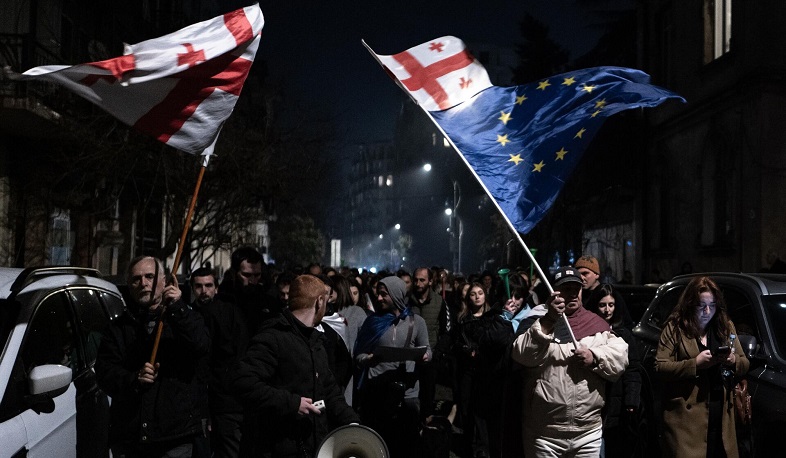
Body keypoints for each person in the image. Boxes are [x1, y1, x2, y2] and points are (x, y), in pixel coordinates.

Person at [96, 256, 210, 458]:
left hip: (173, 436)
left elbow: (201, 344)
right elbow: (105, 373)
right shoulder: (118, 328)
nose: (143, 283)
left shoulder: (183, 317)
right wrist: (134, 379)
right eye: (136, 279)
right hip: (131, 436)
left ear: (165, 281)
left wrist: (177, 307)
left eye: (150, 276)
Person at [233, 275, 359, 457]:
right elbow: (244, 382)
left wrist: (352, 423)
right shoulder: (273, 337)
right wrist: (292, 404)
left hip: (312, 446)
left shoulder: (315, 340)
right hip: (279, 447)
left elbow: (330, 391)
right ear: (319, 302)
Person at [511, 266, 628, 458]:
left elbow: (620, 358)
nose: (573, 294)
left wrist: (594, 357)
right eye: (566, 289)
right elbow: (522, 355)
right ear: (553, 291)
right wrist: (548, 320)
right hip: (545, 435)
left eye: (577, 288)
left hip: (588, 433)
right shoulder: (536, 321)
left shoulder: (596, 324)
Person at [655, 276, 749, 458]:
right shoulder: (676, 328)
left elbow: (744, 362)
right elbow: (660, 367)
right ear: (690, 304)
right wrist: (695, 364)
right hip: (686, 421)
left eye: (712, 305)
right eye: (701, 306)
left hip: (720, 415)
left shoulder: (724, 326)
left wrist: (732, 360)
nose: (707, 311)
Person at [354, 276, 432, 457]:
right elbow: (359, 355)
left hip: (407, 394)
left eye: (384, 294)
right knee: (378, 443)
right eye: (378, 294)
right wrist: (368, 360)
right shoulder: (372, 323)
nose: (379, 298)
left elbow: (427, 348)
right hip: (377, 392)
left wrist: (426, 356)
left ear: (396, 295)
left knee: (405, 444)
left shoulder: (416, 322)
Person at [191, 267, 249, 458]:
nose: (204, 291)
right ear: (192, 288)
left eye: (208, 285)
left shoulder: (229, 313)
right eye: (199, 286)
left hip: (226, 400)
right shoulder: (189, 316)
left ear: (216, 288)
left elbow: (239, 354)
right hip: (201, 400)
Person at [455, 282, 514, 458]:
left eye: (480, 293)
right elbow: (456, 343)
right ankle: (469, 444)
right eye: (473, 294)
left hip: (486, 371)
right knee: (467, 409)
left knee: (483, 410)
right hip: (468, 370)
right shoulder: (463, 319)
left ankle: (482, 447)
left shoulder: (493, 316)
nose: (477, 297)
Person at [584, 283, 642, 458]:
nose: (607, 310)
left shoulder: (623, 333)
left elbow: (632, 369)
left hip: (616, 402)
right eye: (602, 305)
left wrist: (631, 400)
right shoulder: (588, 331)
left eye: (611, 305)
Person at [410, 266, 451, 419]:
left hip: (430, 357)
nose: (418, 284)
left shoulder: (439, 302)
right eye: (416, 280)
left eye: (422, 280)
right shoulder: (408, 302)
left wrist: (437, 353)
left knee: (427, 396)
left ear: (430, 281)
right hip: (411, 357)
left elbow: (446, 330)